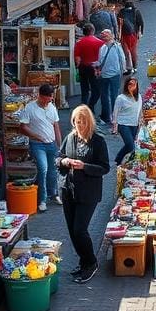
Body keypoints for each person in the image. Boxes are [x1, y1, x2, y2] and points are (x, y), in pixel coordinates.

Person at [58, 105, 110, 283]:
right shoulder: (70, 138)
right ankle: (83, 261)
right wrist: (64, 161)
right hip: (69, 190)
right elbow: (59, 157)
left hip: (88, 192)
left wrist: (84, 166)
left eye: (82, 122)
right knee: (73, 231)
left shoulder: (98, 141)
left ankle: (91, 262)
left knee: (80, 229)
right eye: (76, 122)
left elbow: (104, 167)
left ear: (89, 122)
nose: (79, 125)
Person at [18, 83, 62, 212]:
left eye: (51, 96)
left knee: (53, 170)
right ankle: (42, 199)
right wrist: (36, 136)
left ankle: (53, 194)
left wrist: (59, 144)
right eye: (49, 97)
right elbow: (23, 127)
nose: (51, 99)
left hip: (51, 143)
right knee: (43, 169)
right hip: (37, 144)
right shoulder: (30, 108)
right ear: (41, 96)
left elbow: (56, 126)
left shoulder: (52, 108)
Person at [95, 29, 126, 127]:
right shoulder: (102, 48)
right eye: (103, 34)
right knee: (105, 96)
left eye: (106, 33)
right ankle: (107, 117)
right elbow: (100, 61)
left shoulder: (117, 47)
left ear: (112, 35)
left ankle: (115, 117)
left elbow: (122, 59)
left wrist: (123, 70)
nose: (104, 35)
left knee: (114, 96)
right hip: (104, 75)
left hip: (115, 75)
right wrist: (96, 67)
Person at [112, 76, 143, 165]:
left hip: (134, 124)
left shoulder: (139, 97)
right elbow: (115, 113)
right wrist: (115, 127)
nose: (132, 86)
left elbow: (140, 111)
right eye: (130, 84)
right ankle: (123, 161)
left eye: (134, 84)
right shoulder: (121, 98)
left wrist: (141, 122)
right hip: (123, 124)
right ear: (126, 85)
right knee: (130, 145)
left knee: (129, 144)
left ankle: (118, 159)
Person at [74, 23, 104, 112]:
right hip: (94, 68)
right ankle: (91, 105)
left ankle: (83, 107)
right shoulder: (100, 42)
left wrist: (77, 67)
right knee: (96, 90)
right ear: (93, 31)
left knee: (84, 89)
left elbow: (77, 58)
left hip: (83, 67)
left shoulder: (79, 43)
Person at [117, 0, 144, 75]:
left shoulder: (121, 12)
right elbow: (141, 23)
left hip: (124, 35)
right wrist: (141, 32)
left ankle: (129, 68)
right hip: (133, 34)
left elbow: (119, 24)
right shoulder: (136, 11)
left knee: (126, 52)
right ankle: (135, 67)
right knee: (133, 51)